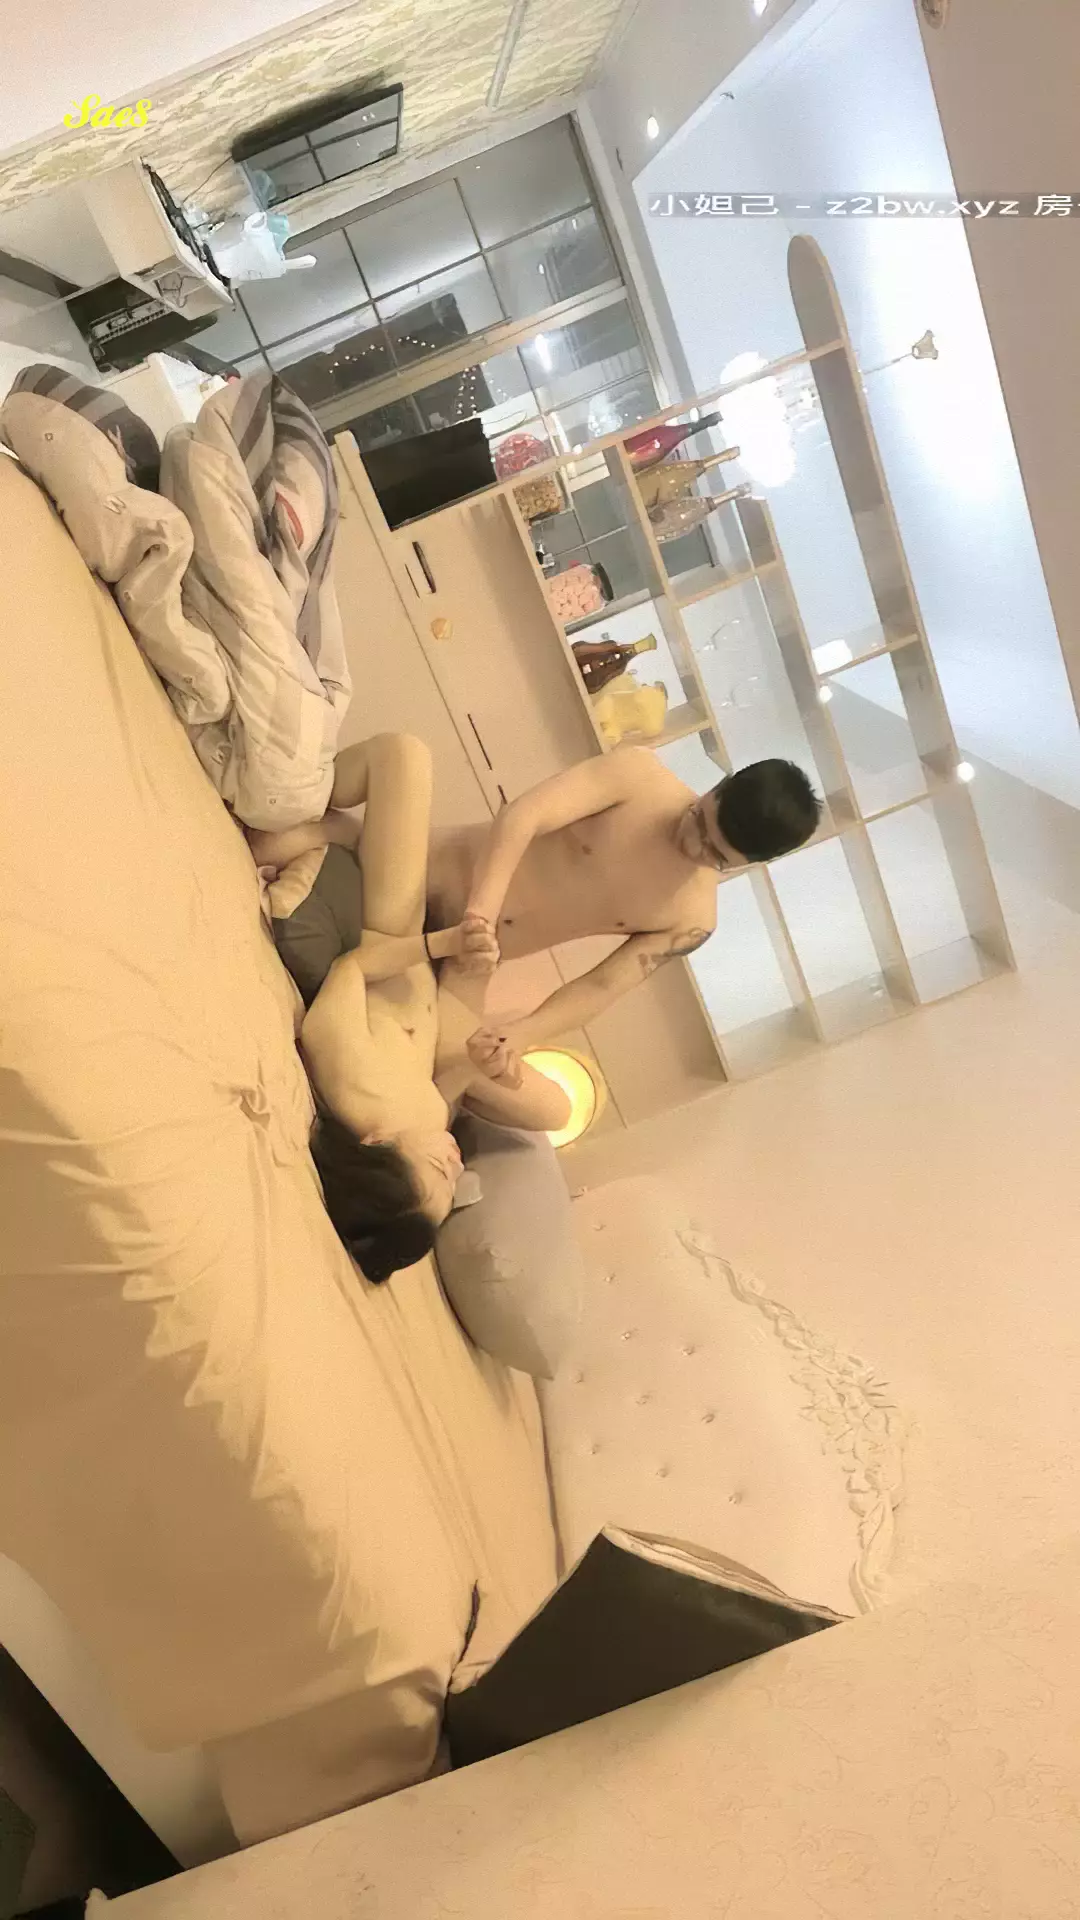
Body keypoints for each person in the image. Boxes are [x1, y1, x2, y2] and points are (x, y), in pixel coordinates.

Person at [251, 734, 571, 1284]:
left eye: (438, 1172)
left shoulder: (355, 1086)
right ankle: (344, 835)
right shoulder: (415, 1125)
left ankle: (307, 815)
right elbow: (435, 1089)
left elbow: (351, 970)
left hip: (392, 935)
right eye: (453, 1185)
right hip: (432, 981)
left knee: (403, 757)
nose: (456, 1166)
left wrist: (439, 945)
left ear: (376, 1146)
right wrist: (475, 1064)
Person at [424, 747, 822, 1068]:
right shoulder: (639, 776)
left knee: (503, 1092)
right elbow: (524, 817)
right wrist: (479, 915)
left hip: (468, 962)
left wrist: (524, 1032)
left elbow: (602, 986)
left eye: (715, 856)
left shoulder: (694, 920)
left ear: (747, 864)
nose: (692, 845)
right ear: (718, 785)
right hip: (433, 876)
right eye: (700, 821)